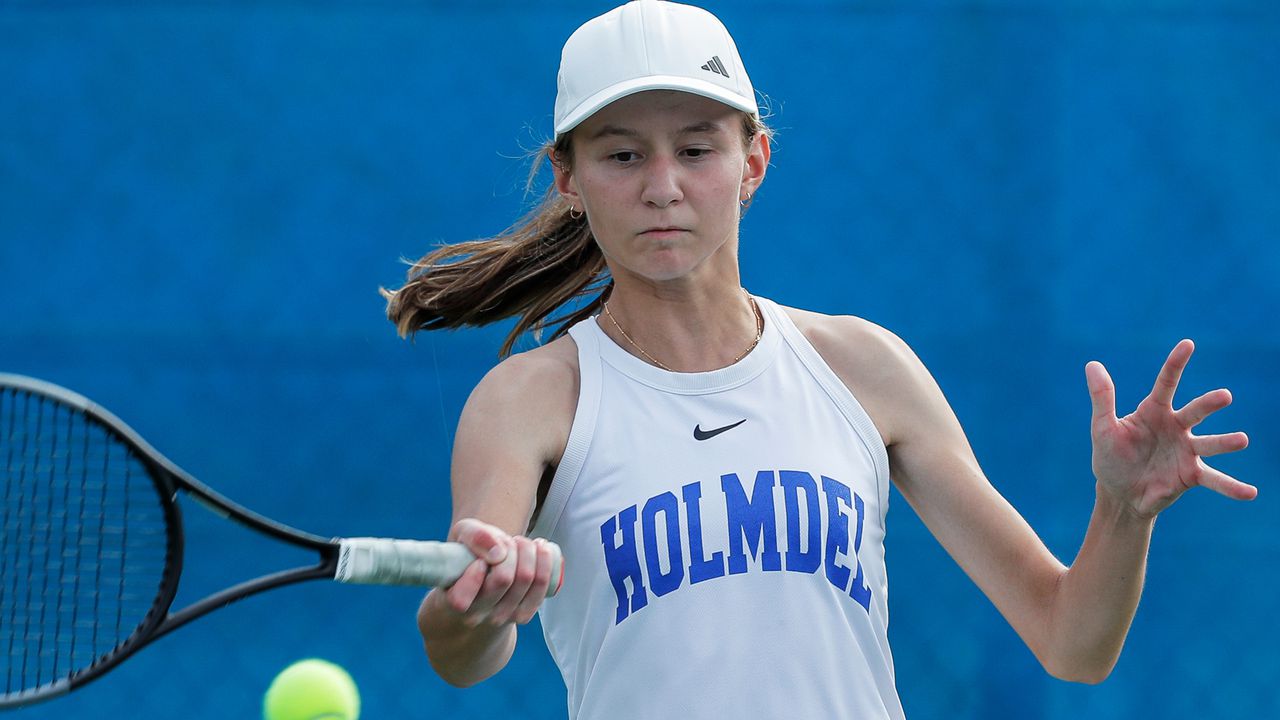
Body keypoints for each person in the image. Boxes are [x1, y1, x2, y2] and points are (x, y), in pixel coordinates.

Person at [381, 1, 1256, 717]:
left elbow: (1072, 642)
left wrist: (1121, 515)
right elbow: (464, 656)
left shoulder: (863, 367)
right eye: (621, 155)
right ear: (569, 180)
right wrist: (477, 605)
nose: (662, 186)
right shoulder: (528, 402)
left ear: (753, 159)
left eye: (696, 148)